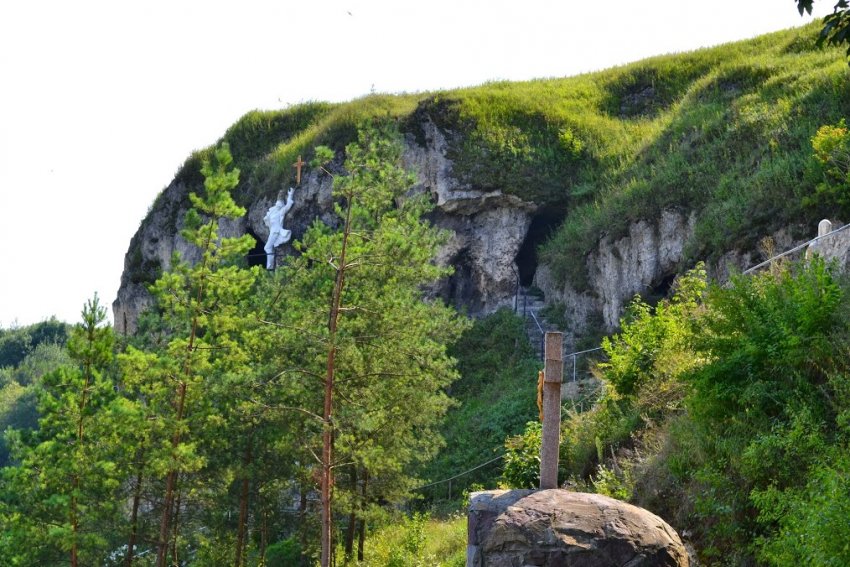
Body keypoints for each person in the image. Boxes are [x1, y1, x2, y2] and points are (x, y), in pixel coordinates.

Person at [263, 187, 295, 269]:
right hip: (272, 232)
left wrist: (290, 195)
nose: (278, 204)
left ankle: (269, 267)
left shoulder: (281, 211)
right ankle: (270, 267)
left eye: (280, 203)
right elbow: (268, 220)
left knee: (267, 247)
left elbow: (288, 206)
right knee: (268, 248)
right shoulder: (273, 212)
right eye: (277, 203)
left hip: (276, 232)